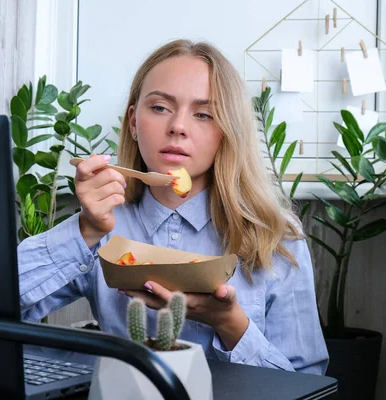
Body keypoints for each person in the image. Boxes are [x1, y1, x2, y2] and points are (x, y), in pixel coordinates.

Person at [18, 39, 329, 375]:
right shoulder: (104, 225)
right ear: (134, 123)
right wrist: (86, 230)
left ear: (227, 131)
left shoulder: (276, 235)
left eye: (204, 114)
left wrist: (230, 324)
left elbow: (307, 382)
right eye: (160, 108)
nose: (178, 126)